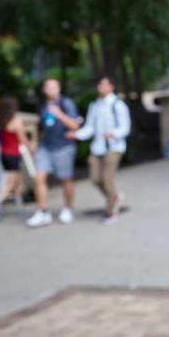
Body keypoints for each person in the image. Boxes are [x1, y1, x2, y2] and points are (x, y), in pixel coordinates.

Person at [68, 76, 131, 225]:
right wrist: (76, 134)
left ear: (111, 87)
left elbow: (125, 127)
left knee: (107, 179)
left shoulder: (118, 105)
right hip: (98, 148)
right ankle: (114, 196)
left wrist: (113, 133)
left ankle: (111, 211)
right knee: (95, 178)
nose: (101, 88)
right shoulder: (95, 105)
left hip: (113, 147)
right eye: (99, 85)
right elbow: (90, 127)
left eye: (104, 85)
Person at [27, 79, 80, 228]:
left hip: (63, 146)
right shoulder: (43, 105)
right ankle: (42, 211)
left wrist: (59, 114)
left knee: (66, 179)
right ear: (44, 89)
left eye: (55, 87)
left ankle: (68, 209)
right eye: (49, 87)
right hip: (45, 147)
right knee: (38, 177)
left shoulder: (66, 103)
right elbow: (42, 127)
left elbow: (75, 125)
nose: (52, 90)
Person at [0, 97, 30, 222]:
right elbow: (22, 138)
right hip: (13, 155)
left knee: (17, 181)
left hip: (4, 154)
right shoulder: (15, 120)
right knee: (10, 184)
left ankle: (19, 207)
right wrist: (30, 148)